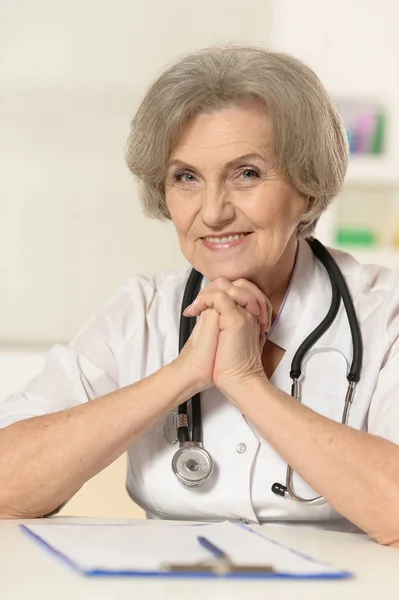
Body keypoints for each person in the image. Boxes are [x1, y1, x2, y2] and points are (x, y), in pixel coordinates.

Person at [1, 45, 399, 547]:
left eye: (247, 173)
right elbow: (6, 485)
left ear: (308, 188)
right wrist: (182, 373)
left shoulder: (384, 314)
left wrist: (246, 383)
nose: (212, 212)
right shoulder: (142, 311)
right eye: (186, 177)